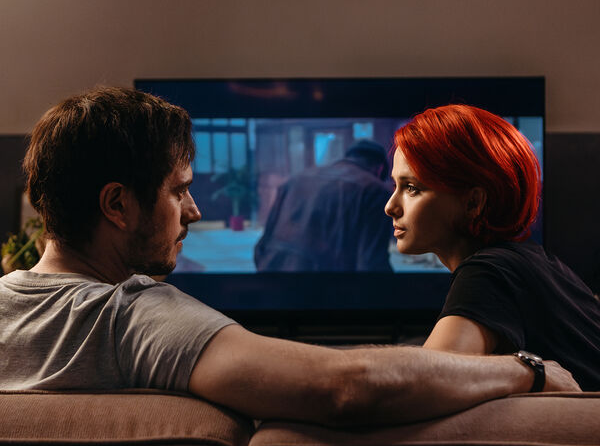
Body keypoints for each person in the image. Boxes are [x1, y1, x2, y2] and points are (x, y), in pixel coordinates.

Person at [0, 88, 580, 428]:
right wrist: (527, 370)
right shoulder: (136, 318)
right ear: (117, 205)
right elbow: (346, 388)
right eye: (179, 191)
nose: (195, 210)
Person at [385, 104, 600, 390]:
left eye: (412, 188)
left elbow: (420, 388)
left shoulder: (489, 273)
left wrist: (528, 372)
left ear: (473, 202)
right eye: (395, 186)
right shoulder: (532, 261)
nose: (390, 206)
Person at [254, 139, 393, 272]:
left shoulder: (296, 180)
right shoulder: (375, 190)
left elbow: (261, 247)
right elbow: (371, 264)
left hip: (272, 275)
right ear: (380, 169)